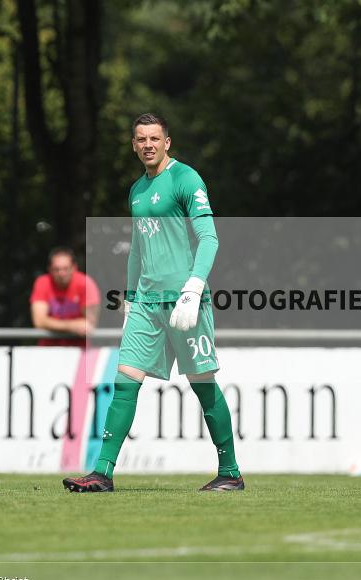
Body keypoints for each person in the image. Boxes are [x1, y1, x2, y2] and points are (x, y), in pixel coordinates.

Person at [63, 113, 243, 493]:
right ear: (133, 145)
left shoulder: (186, 179)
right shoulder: (136, 191)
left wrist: (194, 288)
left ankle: (230, 473)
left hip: (184, 302)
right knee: (124, 381)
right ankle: (102, 472)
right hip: (146, 303)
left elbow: (209, 238)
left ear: (167, 142)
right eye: (141, 139)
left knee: (202, 384)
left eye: (154, 138)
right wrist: (129, 297)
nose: (147, 144)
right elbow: (137, 251)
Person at [30, 247, 100, 346]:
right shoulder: (42, 282)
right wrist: (73, 325)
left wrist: (52, 323)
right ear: (49, 269)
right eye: (56, 269)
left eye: (65, 268)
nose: (61, 273)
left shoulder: (86, 284)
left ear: (74, 267)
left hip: (80, 353)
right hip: (48, 351)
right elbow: (39, 321)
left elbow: (89, 323)